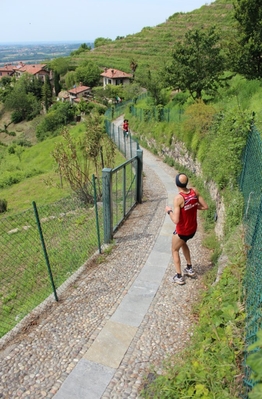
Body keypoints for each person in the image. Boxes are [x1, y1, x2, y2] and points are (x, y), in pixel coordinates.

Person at [165, 173, 208, 285]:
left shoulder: (178, 198)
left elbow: (176, 220)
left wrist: (169, 211)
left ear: (176, 184)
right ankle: (189, 268)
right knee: (183, 243)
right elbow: (205, 206)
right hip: (193, 229)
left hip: (183, 231)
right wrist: (193, 206)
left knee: (174, 250)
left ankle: (179, 276)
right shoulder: (195, 191)